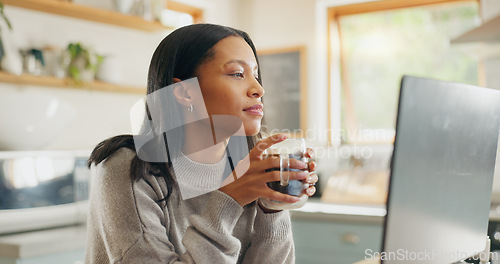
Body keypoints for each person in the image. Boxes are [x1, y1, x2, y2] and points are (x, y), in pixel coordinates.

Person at [84, 23, 318, 264]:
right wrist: (231, 198)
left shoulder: (251, 163)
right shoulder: (128, 168)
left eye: (256, 76)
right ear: (184, 92)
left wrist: (272, 207)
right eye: (237, 73)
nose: (259, 89)